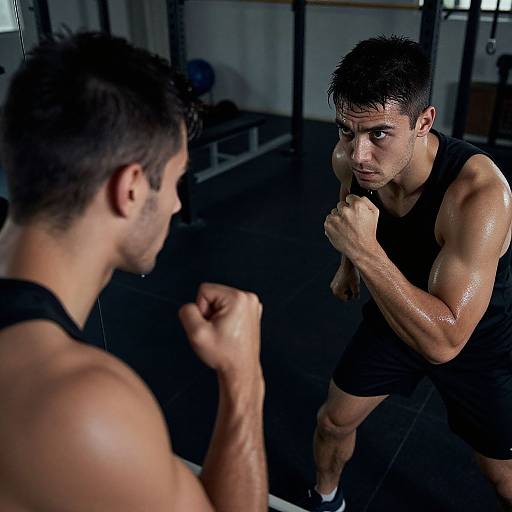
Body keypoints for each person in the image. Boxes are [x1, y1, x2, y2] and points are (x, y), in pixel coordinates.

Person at [0, 32, 267, 511]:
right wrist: (243, 376)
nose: (177, 202)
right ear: (131, 189)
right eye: (177, 179)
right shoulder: (82, 407)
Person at [304, 36, 512, 512]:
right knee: (333, 422)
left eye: (378, 133)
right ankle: (326, 499)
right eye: (346, 131)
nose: (358, 155)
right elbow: (350, 199)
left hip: (469, 335)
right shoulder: (351, 158)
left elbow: (445, 342)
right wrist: (347, 266)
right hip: (394, 315)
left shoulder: (479, 196)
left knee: (503, 476)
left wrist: (364, 251)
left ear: (424, 122)